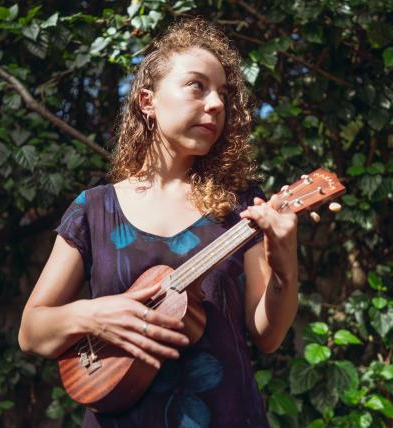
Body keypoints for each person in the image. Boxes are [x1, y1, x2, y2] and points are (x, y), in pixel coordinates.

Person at [18, 18, 299, 428]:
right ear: (148, 101)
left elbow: (268, 336)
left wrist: (285, 267)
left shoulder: (242, 208)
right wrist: (94, 316)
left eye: (222, 93)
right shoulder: (94, 209)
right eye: (197, 86)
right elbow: (31, 330)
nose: (217, 104)